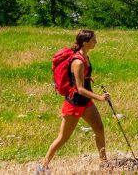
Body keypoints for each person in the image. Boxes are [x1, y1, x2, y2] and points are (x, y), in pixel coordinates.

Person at [37, 30, 111, 172]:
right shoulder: (78, 62)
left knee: (99, 129)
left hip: (86, 103)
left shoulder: (86, 57)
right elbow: (80, 89)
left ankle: (104, 163)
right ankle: (43, 166)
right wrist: (100, 98)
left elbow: (84, 81)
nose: (96, 42)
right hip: (74, 104)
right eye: (94, 40)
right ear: (85, 42)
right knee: (63, 138)